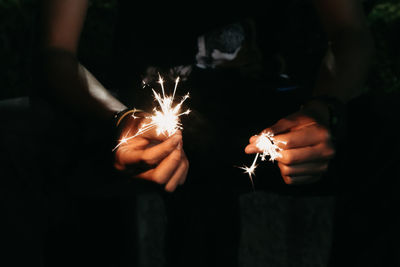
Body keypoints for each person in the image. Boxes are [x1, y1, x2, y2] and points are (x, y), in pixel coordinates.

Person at [37, 0, 373, 266]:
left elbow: (350, 32)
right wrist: (120, 118)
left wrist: (325, 109)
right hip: (143, 118)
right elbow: (56, 51)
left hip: (266, 115)